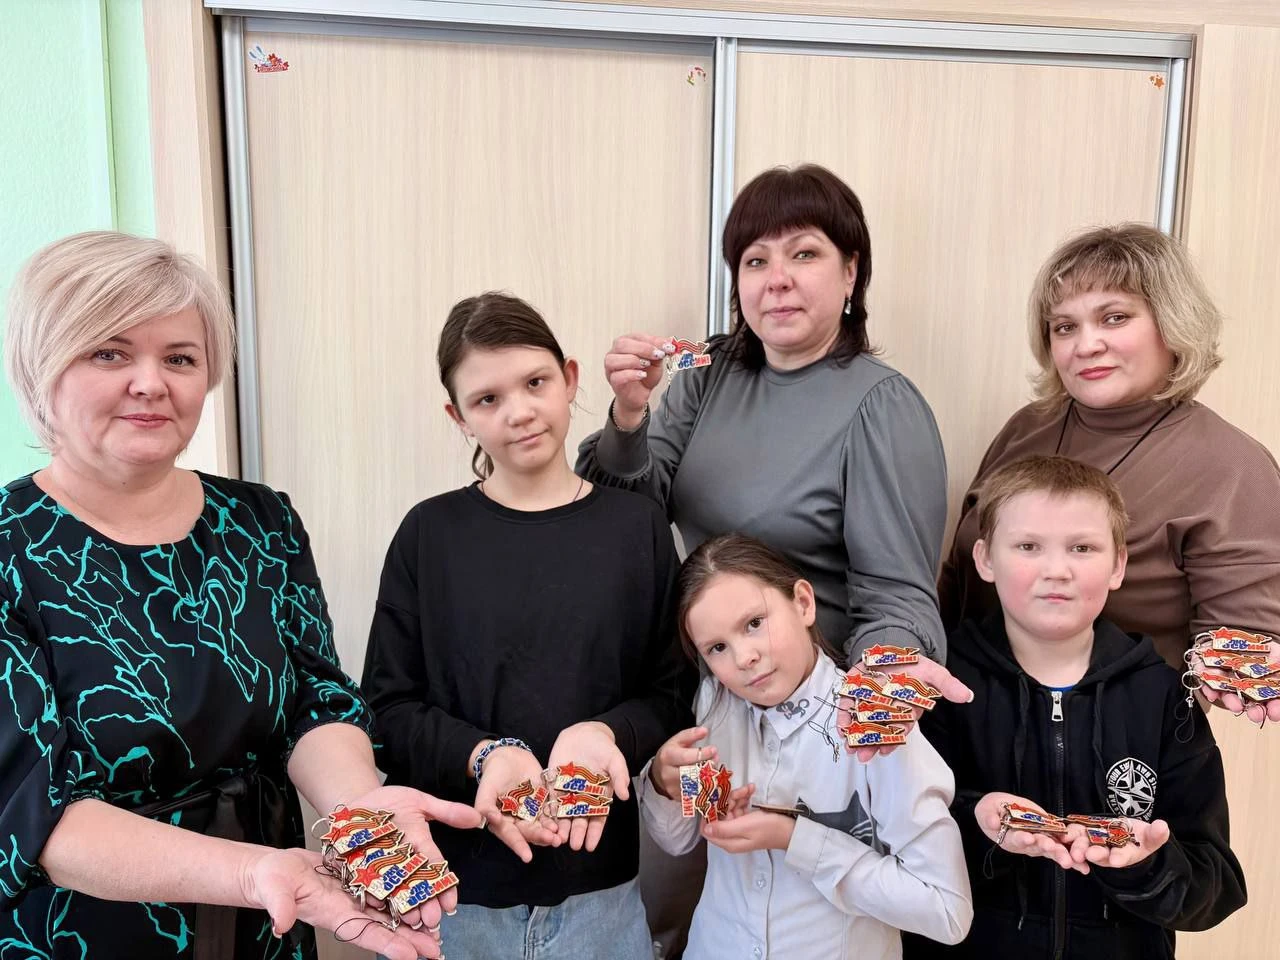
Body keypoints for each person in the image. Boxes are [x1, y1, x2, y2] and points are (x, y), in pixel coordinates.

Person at [0, 231, 478, 960]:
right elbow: (33, 812)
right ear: (42, 367)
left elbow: (316, 700)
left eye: (180, 359)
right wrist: (253, 873)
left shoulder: (260, 521)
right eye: (110, 353)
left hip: (270, 917)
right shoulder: (11, 548)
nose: (151, 382)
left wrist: (361, 810)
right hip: (89, 931)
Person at [360, 292, 694, 960]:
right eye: (487, 399)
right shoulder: (429, 534)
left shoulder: (638, 528)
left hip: (602, 898)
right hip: (455, 901)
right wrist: (485, 755)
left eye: (535, 383)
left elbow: (673, 692)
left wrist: (606, 732)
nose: (518, 412)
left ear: (569, 380)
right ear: (458, 417)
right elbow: (387, 708)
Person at [907, 455, 1246, 959]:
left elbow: (1216, 886)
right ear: (985, 559)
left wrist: (1147, 866)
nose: (1057, 571)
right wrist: (977, 822)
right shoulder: (942, 686)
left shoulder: (1164, 698)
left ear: (1118, 565)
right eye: (1028, 546)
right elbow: (888, 843)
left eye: (1082, 548)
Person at [938, 224, 1280, 722]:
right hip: (967, 722)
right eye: (1065, 327)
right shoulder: (1025, 428)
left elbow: (1244, 637)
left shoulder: (1232, 466)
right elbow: (959, 580)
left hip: (1112, 739)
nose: (1087, 344)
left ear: (1172, 323)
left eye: (1114, 318)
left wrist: (1242, 670)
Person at [641, 533, 973, 959]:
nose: (743, 657)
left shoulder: (873, 725)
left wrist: (795, 839)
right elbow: (678, 841)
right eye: (717, 647)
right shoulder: (711, 705)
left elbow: (946, 912)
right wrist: (664, 784)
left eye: (754, 623)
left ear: (802, 603)